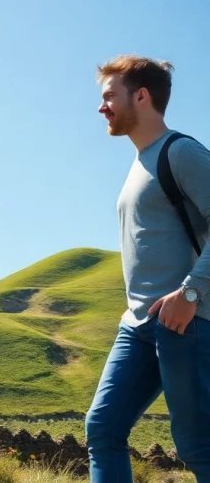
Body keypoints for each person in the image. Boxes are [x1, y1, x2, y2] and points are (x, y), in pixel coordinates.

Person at [86, 54, 210, 482]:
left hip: (187, 320)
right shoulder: (138, 163)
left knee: (199, 448)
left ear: (141, 96)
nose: (102, 106)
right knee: (102, 429)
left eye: (109, 96)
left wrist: (191, 294)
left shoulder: (181, 152)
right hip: (137, 324)